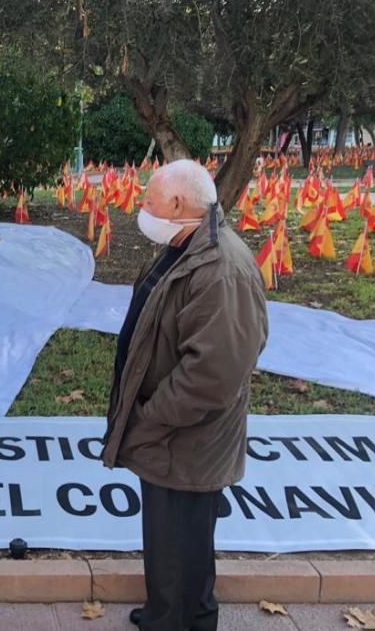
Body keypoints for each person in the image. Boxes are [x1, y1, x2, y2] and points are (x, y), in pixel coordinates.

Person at [100, 159, 269, 631]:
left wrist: (151, 418)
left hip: (184, 436)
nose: (141, 207)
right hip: (171, 432)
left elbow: (210, 375)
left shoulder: (221, 270)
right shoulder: (186, 245)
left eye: (148, 199)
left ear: (177, 204)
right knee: (169, 537)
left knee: (183, 540)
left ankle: (179, 620)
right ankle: (164, 611)